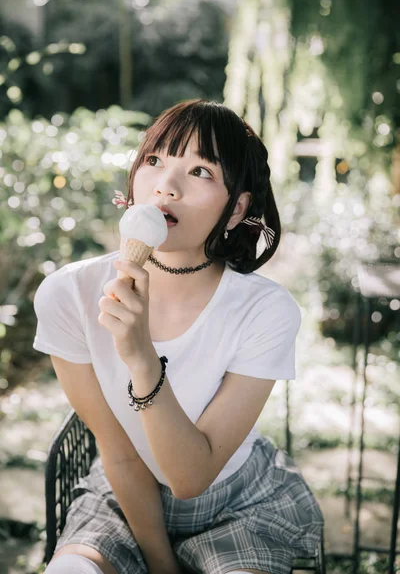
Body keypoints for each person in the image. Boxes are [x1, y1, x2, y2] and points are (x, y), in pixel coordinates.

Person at [33, 98, 324, 574]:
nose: (165, 185)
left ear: (237, 210)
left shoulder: (265, 311)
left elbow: (190, 477)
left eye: (200, 172)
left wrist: (142, 358)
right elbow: (121, 455)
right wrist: (160, 564)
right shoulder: (69, 294)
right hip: (122, 500)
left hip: (238, 502)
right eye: (154, 161)